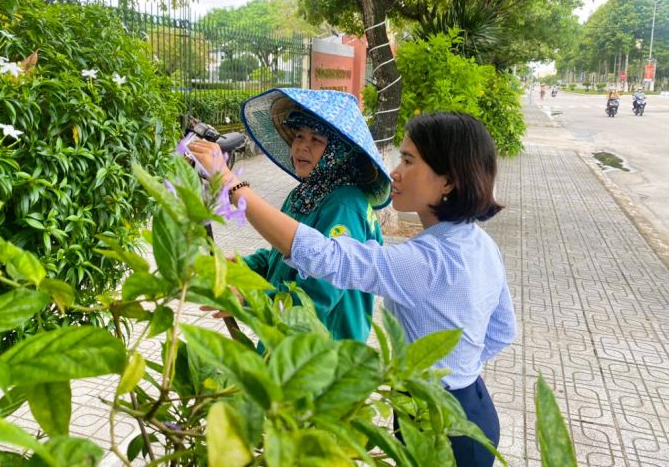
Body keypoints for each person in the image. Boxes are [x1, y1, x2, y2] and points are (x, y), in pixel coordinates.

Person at [189, 110, 516, 466]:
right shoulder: (479, 245)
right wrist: (459, 370)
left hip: (440, 423)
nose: (395, 172)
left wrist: (229, 181)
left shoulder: (424, 260)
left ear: (449, 181)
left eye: (408, 160)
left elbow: (326, 261)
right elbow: (501, 331)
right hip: (470, 406)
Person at [233, 88, 391, 342]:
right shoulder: (304, 194)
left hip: (321, 359)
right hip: (285, 344)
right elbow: (279, 256)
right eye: (298, 136)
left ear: (339, 151)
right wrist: (241, 268)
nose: (301, 147)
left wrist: (249, 300)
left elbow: (318, 295)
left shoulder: (345, 205)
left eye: (316, 140)